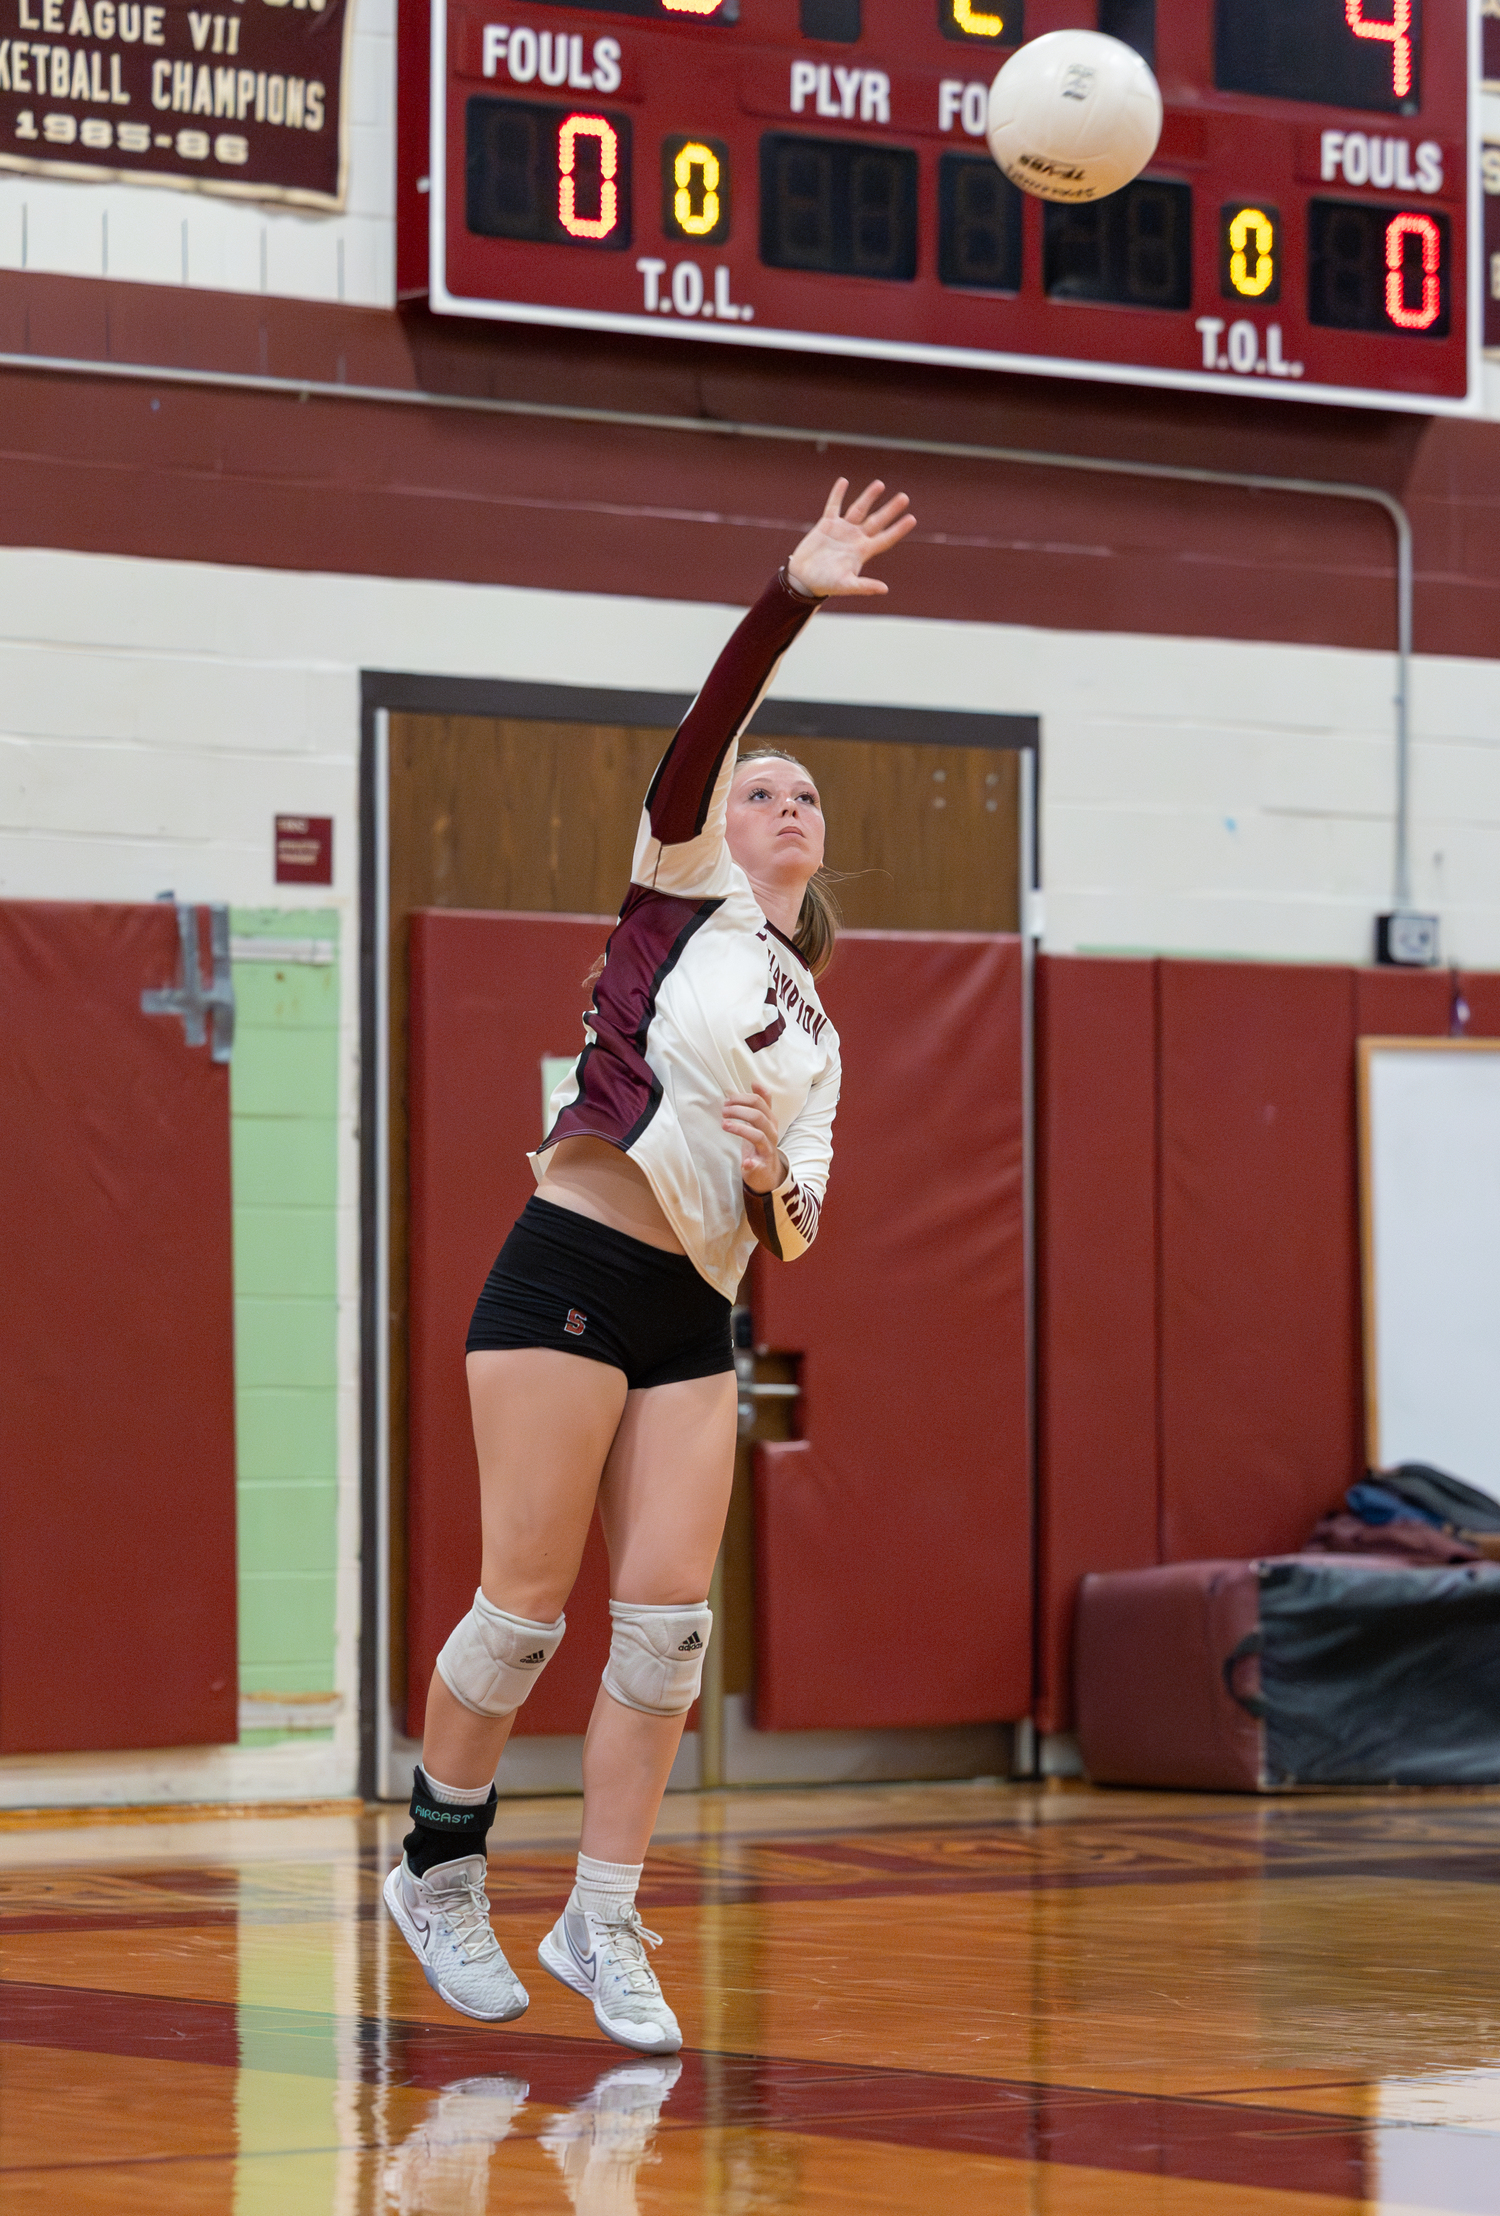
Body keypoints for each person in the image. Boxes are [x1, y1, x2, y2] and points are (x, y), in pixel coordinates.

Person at [383, 476, 916, 2054]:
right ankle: (436, 1867)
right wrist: (793, 597)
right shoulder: (678, 894)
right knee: (522, 1614)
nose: (783, 801)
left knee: (669, 1630)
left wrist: (769, 1183)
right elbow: (707, 725)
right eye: (762, 790)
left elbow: (805, 1220)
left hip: (699, 1311)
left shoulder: (821, 1030)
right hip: (568, 1261)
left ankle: (601, 1915)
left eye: (805, 793)